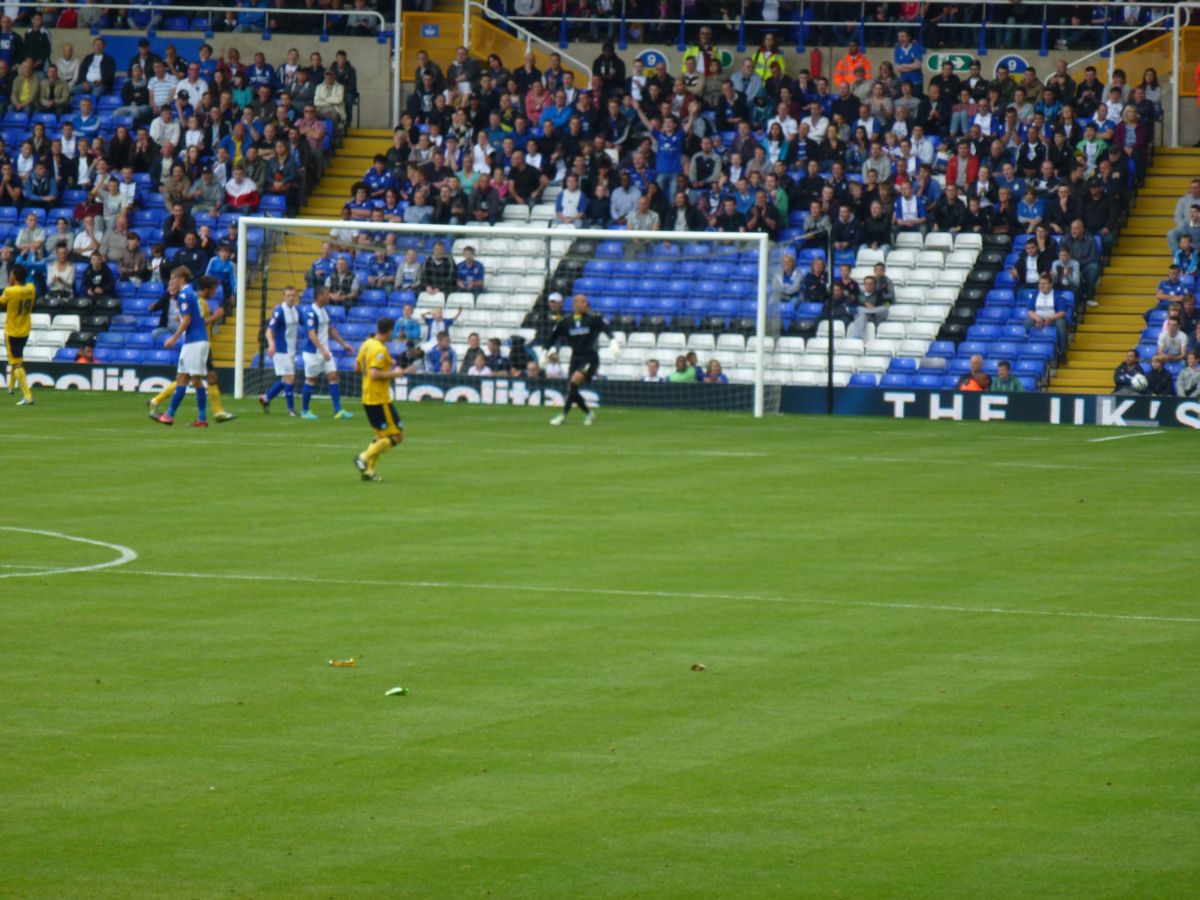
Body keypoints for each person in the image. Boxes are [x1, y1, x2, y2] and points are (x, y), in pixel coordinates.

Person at [541, 293, 621, 426]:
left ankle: (563, 416)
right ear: (575, 305)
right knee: (572, 389)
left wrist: (613, 341)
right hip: (575, 358)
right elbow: (553, 337)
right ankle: (589, 413)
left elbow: (606, 329)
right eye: (582, 302)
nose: (586, 304)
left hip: (590, 357)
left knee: (574, 381)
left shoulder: (593, 319)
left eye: (586, 302)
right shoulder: (566, 322)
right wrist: (544, 351)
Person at [151, 272, 219, 427]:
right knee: (193, 379)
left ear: (181, 279)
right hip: (198, 341)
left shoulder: (184, 294)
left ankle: (170, 415)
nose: (172, 281)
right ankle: (201, 418)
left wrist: (173, 338)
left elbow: (188, 319)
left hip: (193, 342)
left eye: (174, 278)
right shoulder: (192, 294)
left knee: (186, 378)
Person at [352, 317, 406, 483]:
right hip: (379, 399)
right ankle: (364, 457)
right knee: (397, 436)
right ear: (390, 331)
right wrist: (394, 373)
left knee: (380, 436)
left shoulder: (367, 343)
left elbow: (357, 367)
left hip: (367, 397)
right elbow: (375, 374)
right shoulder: (379, 350)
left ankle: (369, 471)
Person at [300, 287, 355, 421]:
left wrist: (343, 344)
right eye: (326, 294)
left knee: (333, 376)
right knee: (310, 380)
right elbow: (311, 334)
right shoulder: (310, 313)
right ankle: (305, 411)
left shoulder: (324, 310)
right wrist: (322, 349)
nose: (329, 296)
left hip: (325, 352)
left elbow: (330, 329)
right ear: (319, 296)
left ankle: (338, 410)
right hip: (313, 353)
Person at [258, 285, 302, 416]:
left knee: (287, 378)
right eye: (288, 295)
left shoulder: (296, 310)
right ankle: (291, 410)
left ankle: (266, 398)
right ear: (283, 296)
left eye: (293, 295)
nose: (291, 298)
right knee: (290, 378)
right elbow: (269, 330)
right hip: (281, 349)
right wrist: (271, 345)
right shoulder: (279, 311)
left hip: (291, 349)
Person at [0, 262, 35, 406]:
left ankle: (28, 395)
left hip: (13, 331)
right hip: (25, 330)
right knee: (16, 358)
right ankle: (11, 386)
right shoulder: (31, 288)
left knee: (16, 363)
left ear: (13, 276)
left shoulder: (10, 291)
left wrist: (9, 284)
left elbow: (2, 302)